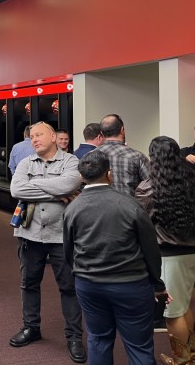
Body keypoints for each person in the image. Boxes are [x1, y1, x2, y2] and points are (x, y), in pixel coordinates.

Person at [65, 149, 166, 365]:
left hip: (88, 284)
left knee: (98, 340)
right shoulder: (130, 205)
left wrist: (81, 274)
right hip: (131, 285)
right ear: (109, 174)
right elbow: (150, 250)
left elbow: (68, 250)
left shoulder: (73, 208)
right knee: (139, 346)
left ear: (82, 177)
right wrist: (157, 284)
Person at [9, 121, 86, 363]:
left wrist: (35, 187)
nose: (34, 139)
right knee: (29, 284)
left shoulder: (70, 161)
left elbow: (69, 184)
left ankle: (74, 337)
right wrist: (58, 193)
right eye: (31, 136)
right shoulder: (25, 163)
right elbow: (16, 190)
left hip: (62, 236)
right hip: (29, 235)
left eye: (39, 135)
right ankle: (31, 328)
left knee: (69, 287)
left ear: (53, 137)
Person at [135, 136, 195, 365]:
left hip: (171, 257)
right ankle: (190, 354)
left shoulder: (149, 187)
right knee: (185, 304)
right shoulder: (191, 178)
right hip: (192, 252)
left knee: (173, 313)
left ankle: (182, 361)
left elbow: (142, 225)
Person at [98, 114, 149, 196]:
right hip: (131, 206)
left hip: (99, 207)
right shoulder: (137, 157)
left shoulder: (91, 156)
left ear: (101, 133)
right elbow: (150, 186)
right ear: (122, 130)